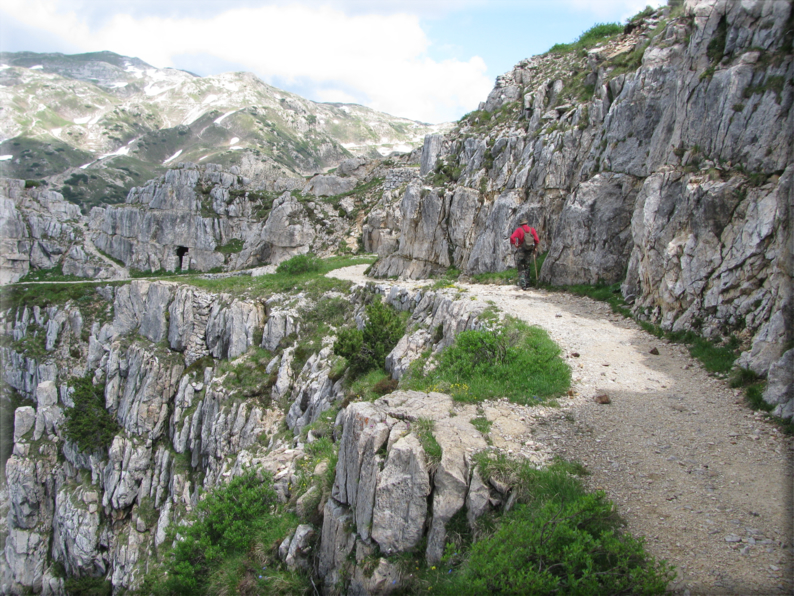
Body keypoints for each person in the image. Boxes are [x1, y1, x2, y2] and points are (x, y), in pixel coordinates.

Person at [510, 219, 539, 289]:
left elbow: (512, 237)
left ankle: (523, 284)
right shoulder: (532, 230)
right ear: (526, 223)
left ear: (521, 224)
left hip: (521, 250)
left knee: (521, 266)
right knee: (527, 266)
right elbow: (537, 240)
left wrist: (515, 244)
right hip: (529, 249)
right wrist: (535, 248)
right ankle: (528, 282)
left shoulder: (519, 230)